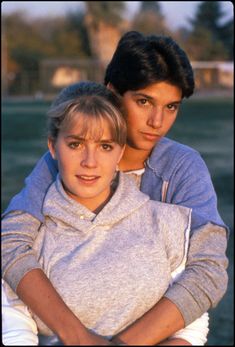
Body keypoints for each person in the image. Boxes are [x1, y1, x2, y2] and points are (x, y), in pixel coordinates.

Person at [2, 31, 228, 345]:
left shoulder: (183, 167)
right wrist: (79, 337)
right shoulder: (65, 162)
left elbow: (208, 272)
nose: (157, 122)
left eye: (171, 107)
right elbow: (11, 243)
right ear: (112, 93)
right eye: (144, 101)